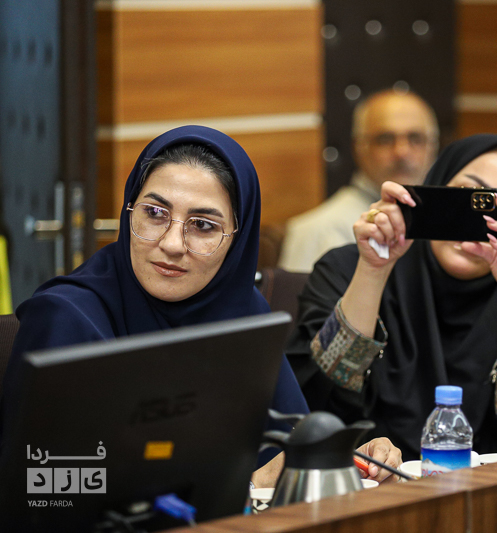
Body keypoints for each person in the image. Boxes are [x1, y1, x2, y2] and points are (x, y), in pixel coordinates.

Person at [0, 126, 401, 487]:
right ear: (128, 211)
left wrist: (343, 460)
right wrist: (246, 488)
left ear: (237, 242)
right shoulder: (66, 319)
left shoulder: (244, 317)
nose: (172, 244)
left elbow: (289, 448)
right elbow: (43, 487)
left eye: (204, 225)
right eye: (155, 213)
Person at [286, 134, 497, 460]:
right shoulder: (346, 269)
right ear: (435, 188)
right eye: (469, 197)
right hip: (364, 482)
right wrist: (373, 270)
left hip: (488, 486)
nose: (481, 221)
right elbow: (316, 402)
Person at [278, 89, 439, 272]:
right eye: (385, 139)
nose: (402, 152)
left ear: (433, 146)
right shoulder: (318, 231)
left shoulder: (446, 223)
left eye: (415, 138)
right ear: (359, 147)